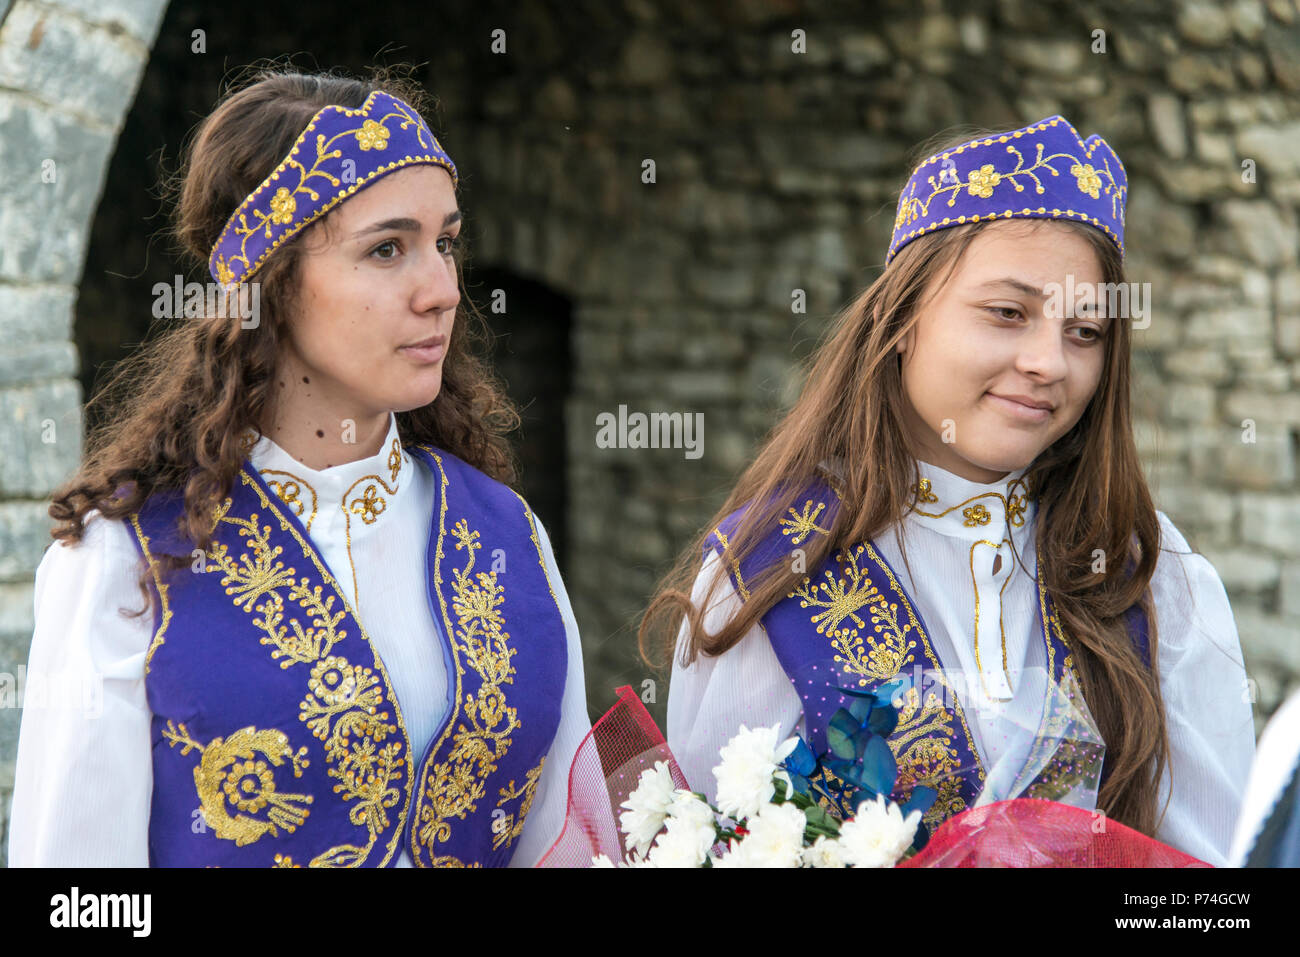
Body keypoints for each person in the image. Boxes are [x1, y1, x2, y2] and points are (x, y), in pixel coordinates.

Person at [8, 66, 589, 868]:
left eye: (446, 243)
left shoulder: (511, 540)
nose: (443, 289)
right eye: (388, 249)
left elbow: (566, 839)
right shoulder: (123, 566)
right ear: (270, 284)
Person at [645, 114, 1255, 866]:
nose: (1049, 361)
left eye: (1085, 331)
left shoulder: (1158, 580)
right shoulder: (767, 573)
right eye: (1008, 312)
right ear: (903, 317)